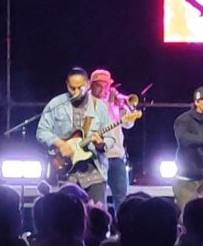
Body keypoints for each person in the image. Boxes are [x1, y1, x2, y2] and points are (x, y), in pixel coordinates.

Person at [37, 67, 115, 204]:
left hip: (94, 174)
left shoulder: (100, 107)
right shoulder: (56, 104)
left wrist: (101, 144)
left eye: (80, 87)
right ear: (67, 85)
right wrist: (60, 144)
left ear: (88, 85)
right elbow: (41, 131)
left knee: (96, 214)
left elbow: (111, 138)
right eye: (72, 88)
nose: (76, 92)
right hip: (66, 173)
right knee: (67, 215)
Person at [89, 69, 139, 213]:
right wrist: (110, 103)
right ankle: (99, 227)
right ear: (91, 85)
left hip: (116, 156)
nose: (104, 89)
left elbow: (128, 124)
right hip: (96, 157)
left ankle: (122, 226)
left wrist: (122, 107)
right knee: (97, 201)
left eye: (106, 85)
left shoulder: (114, 104)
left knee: (121, 199)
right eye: (100, 85)